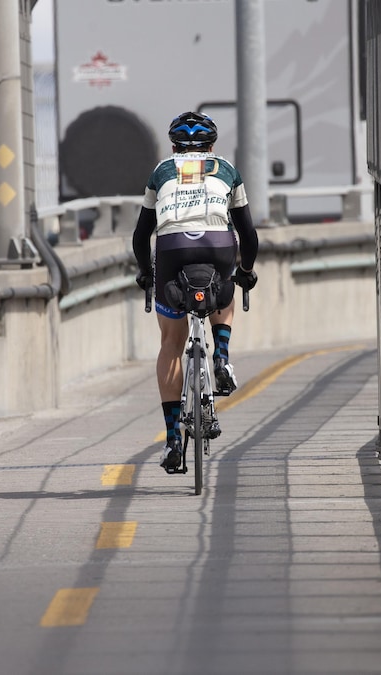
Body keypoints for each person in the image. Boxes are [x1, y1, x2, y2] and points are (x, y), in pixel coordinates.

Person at [132, 111, 259, 474]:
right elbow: (247, 234)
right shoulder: (227, 169)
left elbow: (141, 235)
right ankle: (220, 355)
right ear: (212, 146)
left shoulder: (161, 171)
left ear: (174, 147)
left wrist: (146, 273)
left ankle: (173, 438)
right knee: (225, 289)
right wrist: (245, 272)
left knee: (171, 343)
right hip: (218, 245)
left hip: (171, 248)